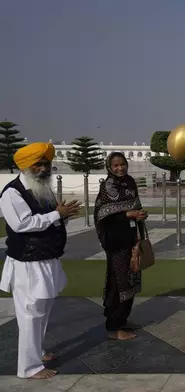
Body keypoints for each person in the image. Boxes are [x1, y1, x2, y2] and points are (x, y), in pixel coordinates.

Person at [0, 142, 81, 379]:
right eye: (39, 164)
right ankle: (29, 367)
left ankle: (38, 352)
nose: (45, 168)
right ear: (26, 167)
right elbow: (22, 224)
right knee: (30, 314)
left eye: (47, 163)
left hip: (46, 258)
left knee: (43, 311)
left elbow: (49, 219)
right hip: (27, 263)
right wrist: (57, 214)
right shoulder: (12, 193)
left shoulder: (42, 189)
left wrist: (61, 216)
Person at [94, 152, 147, 341]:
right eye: (116, 165)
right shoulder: (107, 187)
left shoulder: (130, 182)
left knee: (131, 278)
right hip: (115, 242)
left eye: (123, 164)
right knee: (118, 282)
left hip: (130, 237)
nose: (120, 168)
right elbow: (102, 216)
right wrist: (127, 215)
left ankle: (122, 319)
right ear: (109, 167)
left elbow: (135, 205)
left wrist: (139, 216)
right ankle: (113, 326)